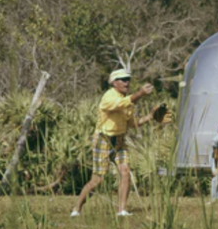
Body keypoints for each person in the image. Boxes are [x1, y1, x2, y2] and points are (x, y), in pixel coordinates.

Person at [70, 68, 164, 217]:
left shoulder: (128, 100)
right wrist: (140, 94)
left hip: (120, 139)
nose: (126, 82)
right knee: (97, 180)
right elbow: (121, 104)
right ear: (114, 83)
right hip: (104, 139)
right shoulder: (109, 97)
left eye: (128, 79)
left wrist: (151, 116)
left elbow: (133, 123)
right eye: (123, 79)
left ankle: (121, 210)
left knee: (125, 172)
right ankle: (77, 208)